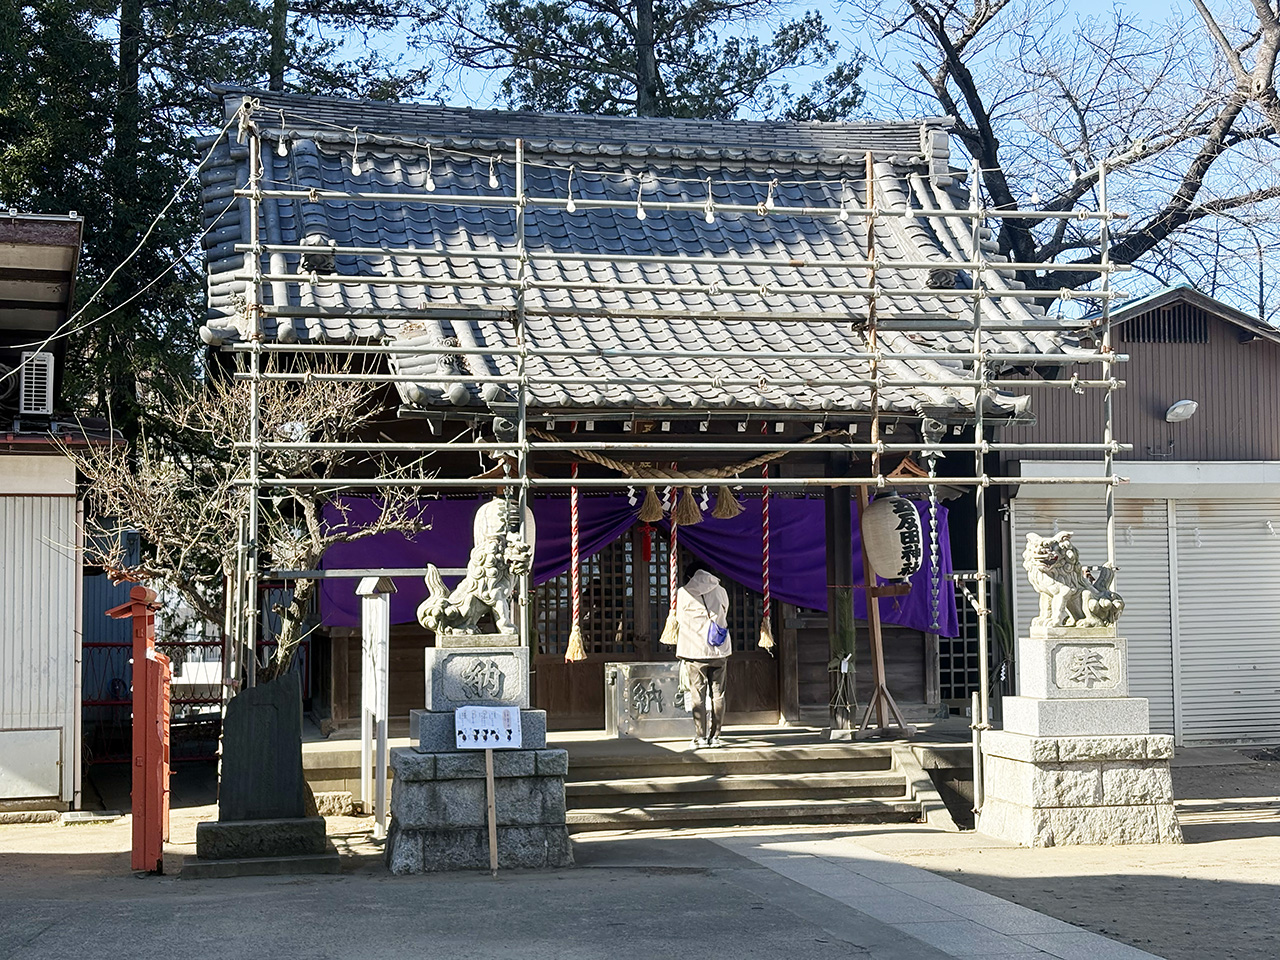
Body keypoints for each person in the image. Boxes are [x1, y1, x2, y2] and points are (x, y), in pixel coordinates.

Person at [673, 559, 732, 748]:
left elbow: (678, 618)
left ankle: (700, 737)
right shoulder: (721, 590)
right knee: (718, 694)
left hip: (694, 650)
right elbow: (725, 612)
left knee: (697, 694)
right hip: (719, 650)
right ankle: (716, 736)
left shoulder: (683, 593)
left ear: (690, 575)